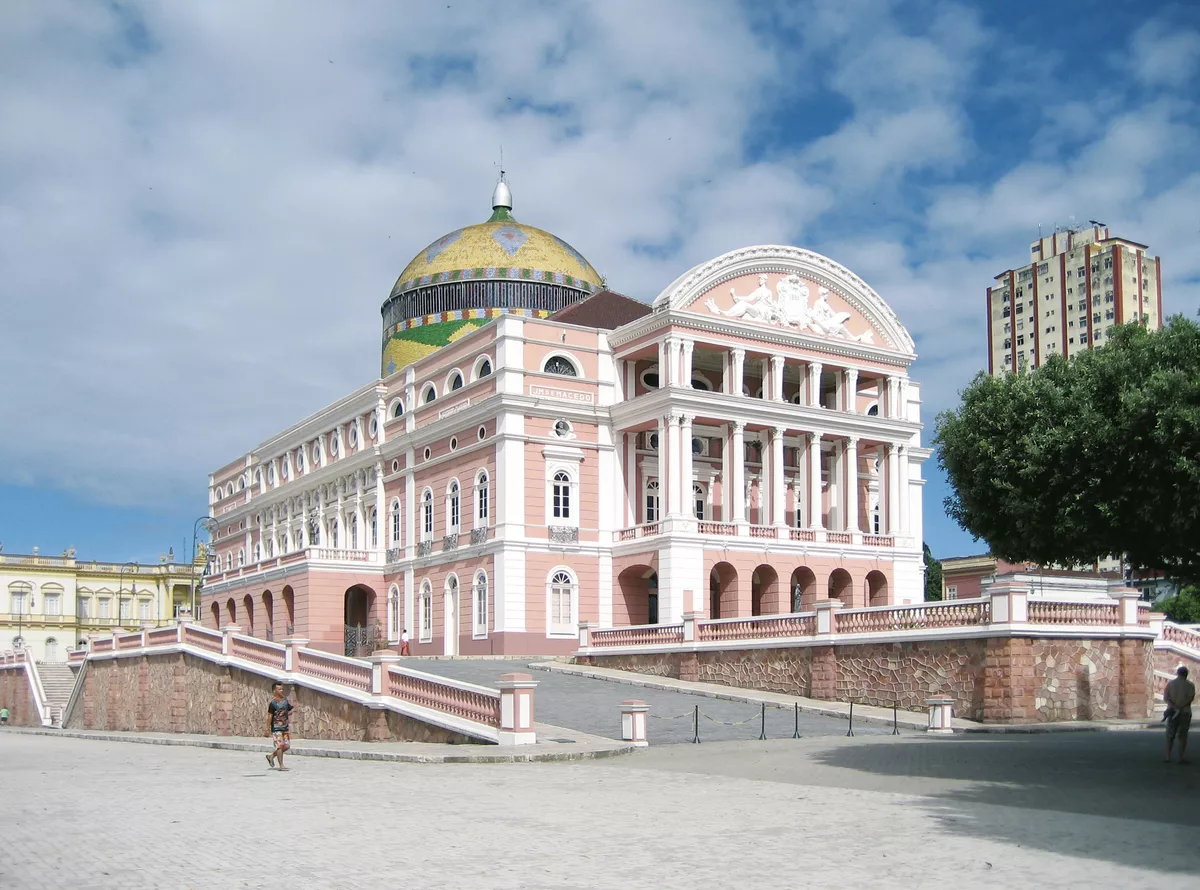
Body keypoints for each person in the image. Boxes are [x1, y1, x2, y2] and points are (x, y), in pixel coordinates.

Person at [1164, 665, 1195, 764]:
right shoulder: (1190, 685)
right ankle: (1180, 757)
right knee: (1182, 736)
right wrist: (1181, 706)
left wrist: (1174, 706)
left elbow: (1166, 698)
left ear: (1177, 673)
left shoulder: (1170, 684)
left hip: (1172, 712)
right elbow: (1190, 698)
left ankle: (1167, 756)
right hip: (1185, 712)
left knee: (1170, 735)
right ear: (1186, 674)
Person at [265, 682, 294, 771]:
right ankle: (281, 765)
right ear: (274, 691)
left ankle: (271, 756)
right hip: (276, 728)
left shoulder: (285, 701)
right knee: (279, 746)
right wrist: (267, 728)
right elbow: (270, 716)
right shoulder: (273, 703)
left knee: (287, 746)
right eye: (279, 689)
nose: (281, 690)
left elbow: (289, 709)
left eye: (282, 689)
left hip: (284, 728)